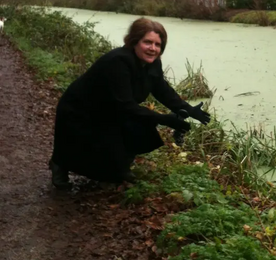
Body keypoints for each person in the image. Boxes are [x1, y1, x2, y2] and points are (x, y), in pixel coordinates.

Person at [48, 17, 210, 190]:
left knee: (136, 134)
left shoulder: (153, 63)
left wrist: (187, 109)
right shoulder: (118, 61)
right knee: (93, 151)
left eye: (158, 44)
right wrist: (165, 119)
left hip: (109, 110)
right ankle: (60, 164)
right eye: (147, 42)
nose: (153, 49)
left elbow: (161, 89)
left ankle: (119, 167)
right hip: (80, 111)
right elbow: (126, 107)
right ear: (134, 41)